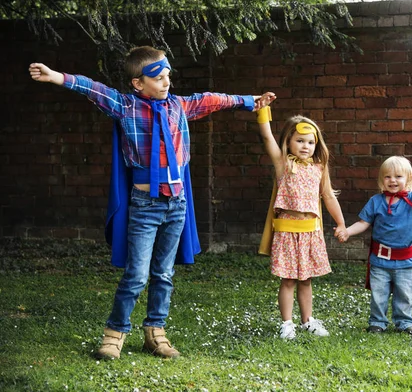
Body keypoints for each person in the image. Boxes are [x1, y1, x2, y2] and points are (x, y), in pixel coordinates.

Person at [29, 46, 274, 359]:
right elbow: (93, 89)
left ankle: (155, 332)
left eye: (168, 76)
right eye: (158, 78)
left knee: (164, 274)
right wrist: (57, 77)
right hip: (145, 205)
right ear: (137, 83)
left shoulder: (179, 106)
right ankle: (114, 334)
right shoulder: (125, 106)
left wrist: (250, 101)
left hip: (177, 204)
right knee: (137, 275)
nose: (166, 82)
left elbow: (214, 99)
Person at [256, 106, 347, 339]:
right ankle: (287, 323)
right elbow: (266, 136)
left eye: (310, 142)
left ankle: (308, 321)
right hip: (287, 232)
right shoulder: (283, 164)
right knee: (288, 280)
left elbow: (328, 196)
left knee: (306, 280)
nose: (305, 146)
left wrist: (341, 223)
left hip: (310, 233)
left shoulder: (319, 168)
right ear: (288, 141)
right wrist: (263, 111)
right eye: (299, 141)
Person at [336, 156, 412, 334]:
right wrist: (347, 231)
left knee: (404, 295)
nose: (392, 180)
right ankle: (377, 322)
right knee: (379, 294)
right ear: (381, 180)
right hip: (380, 260)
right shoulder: (375, 201)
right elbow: (363, 222)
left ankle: (405, 322)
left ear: (408, 179)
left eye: (398, 176)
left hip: (405, 261)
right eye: (387, 176)